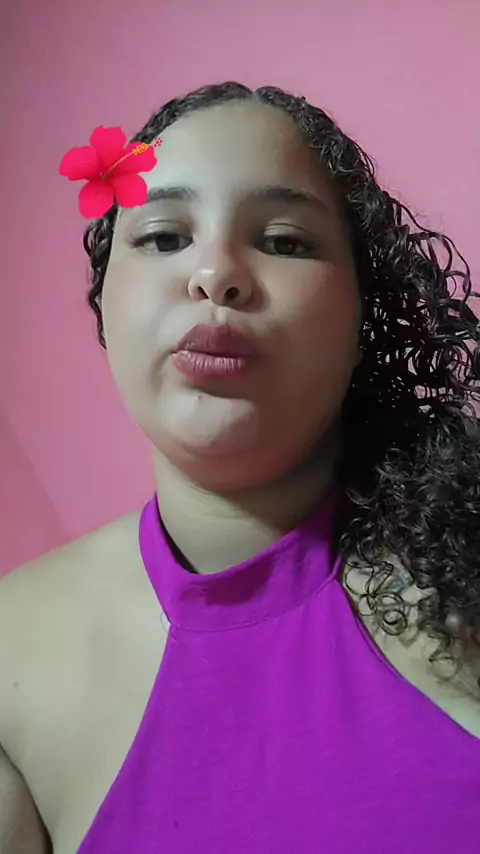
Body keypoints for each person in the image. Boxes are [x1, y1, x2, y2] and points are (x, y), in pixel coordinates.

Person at [1, 81, 479, 854]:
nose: (215, 274)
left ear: (364, 311)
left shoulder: (465, 582)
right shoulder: (11, 658)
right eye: (163, 237)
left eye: (284, 241)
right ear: (104, 302)